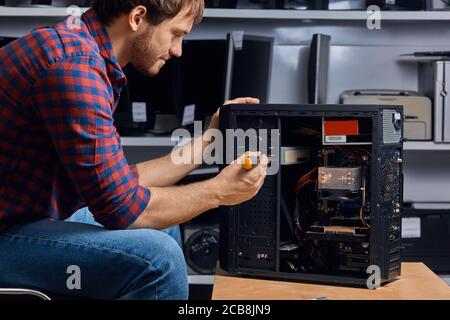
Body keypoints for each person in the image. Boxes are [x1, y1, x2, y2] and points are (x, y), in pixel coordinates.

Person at [0, 0, 268, 300]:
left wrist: (208, 142)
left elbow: (120, 185)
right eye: (176, 34)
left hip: (19, 220)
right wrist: (220, 192)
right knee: (158, 259)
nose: (178, 50)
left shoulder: (79, 51)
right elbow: (123, 209)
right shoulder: (74, 67)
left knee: (163, 230)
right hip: (6, 234)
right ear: (138, 17)